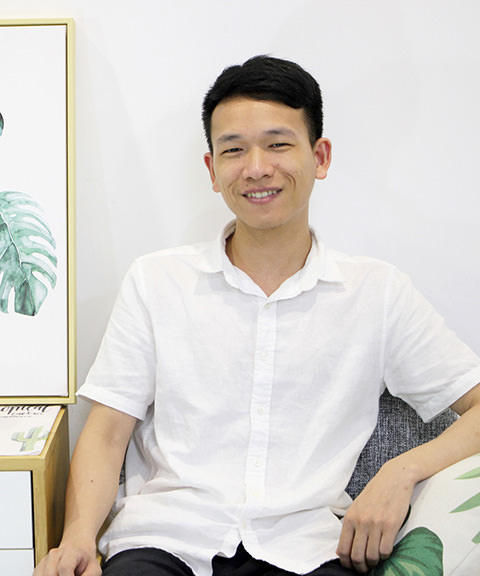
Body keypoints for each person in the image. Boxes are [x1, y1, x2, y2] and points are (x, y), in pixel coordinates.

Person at [34, 55, 480, 576]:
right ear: (212, 170)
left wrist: (402, 471)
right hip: (165, 541)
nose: (256, 168)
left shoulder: (377, 293)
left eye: (277, 144)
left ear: (320, 156)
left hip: (308, 548)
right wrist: (77, 540)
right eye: (234, 149)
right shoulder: (156, 281)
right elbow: (108, 431)